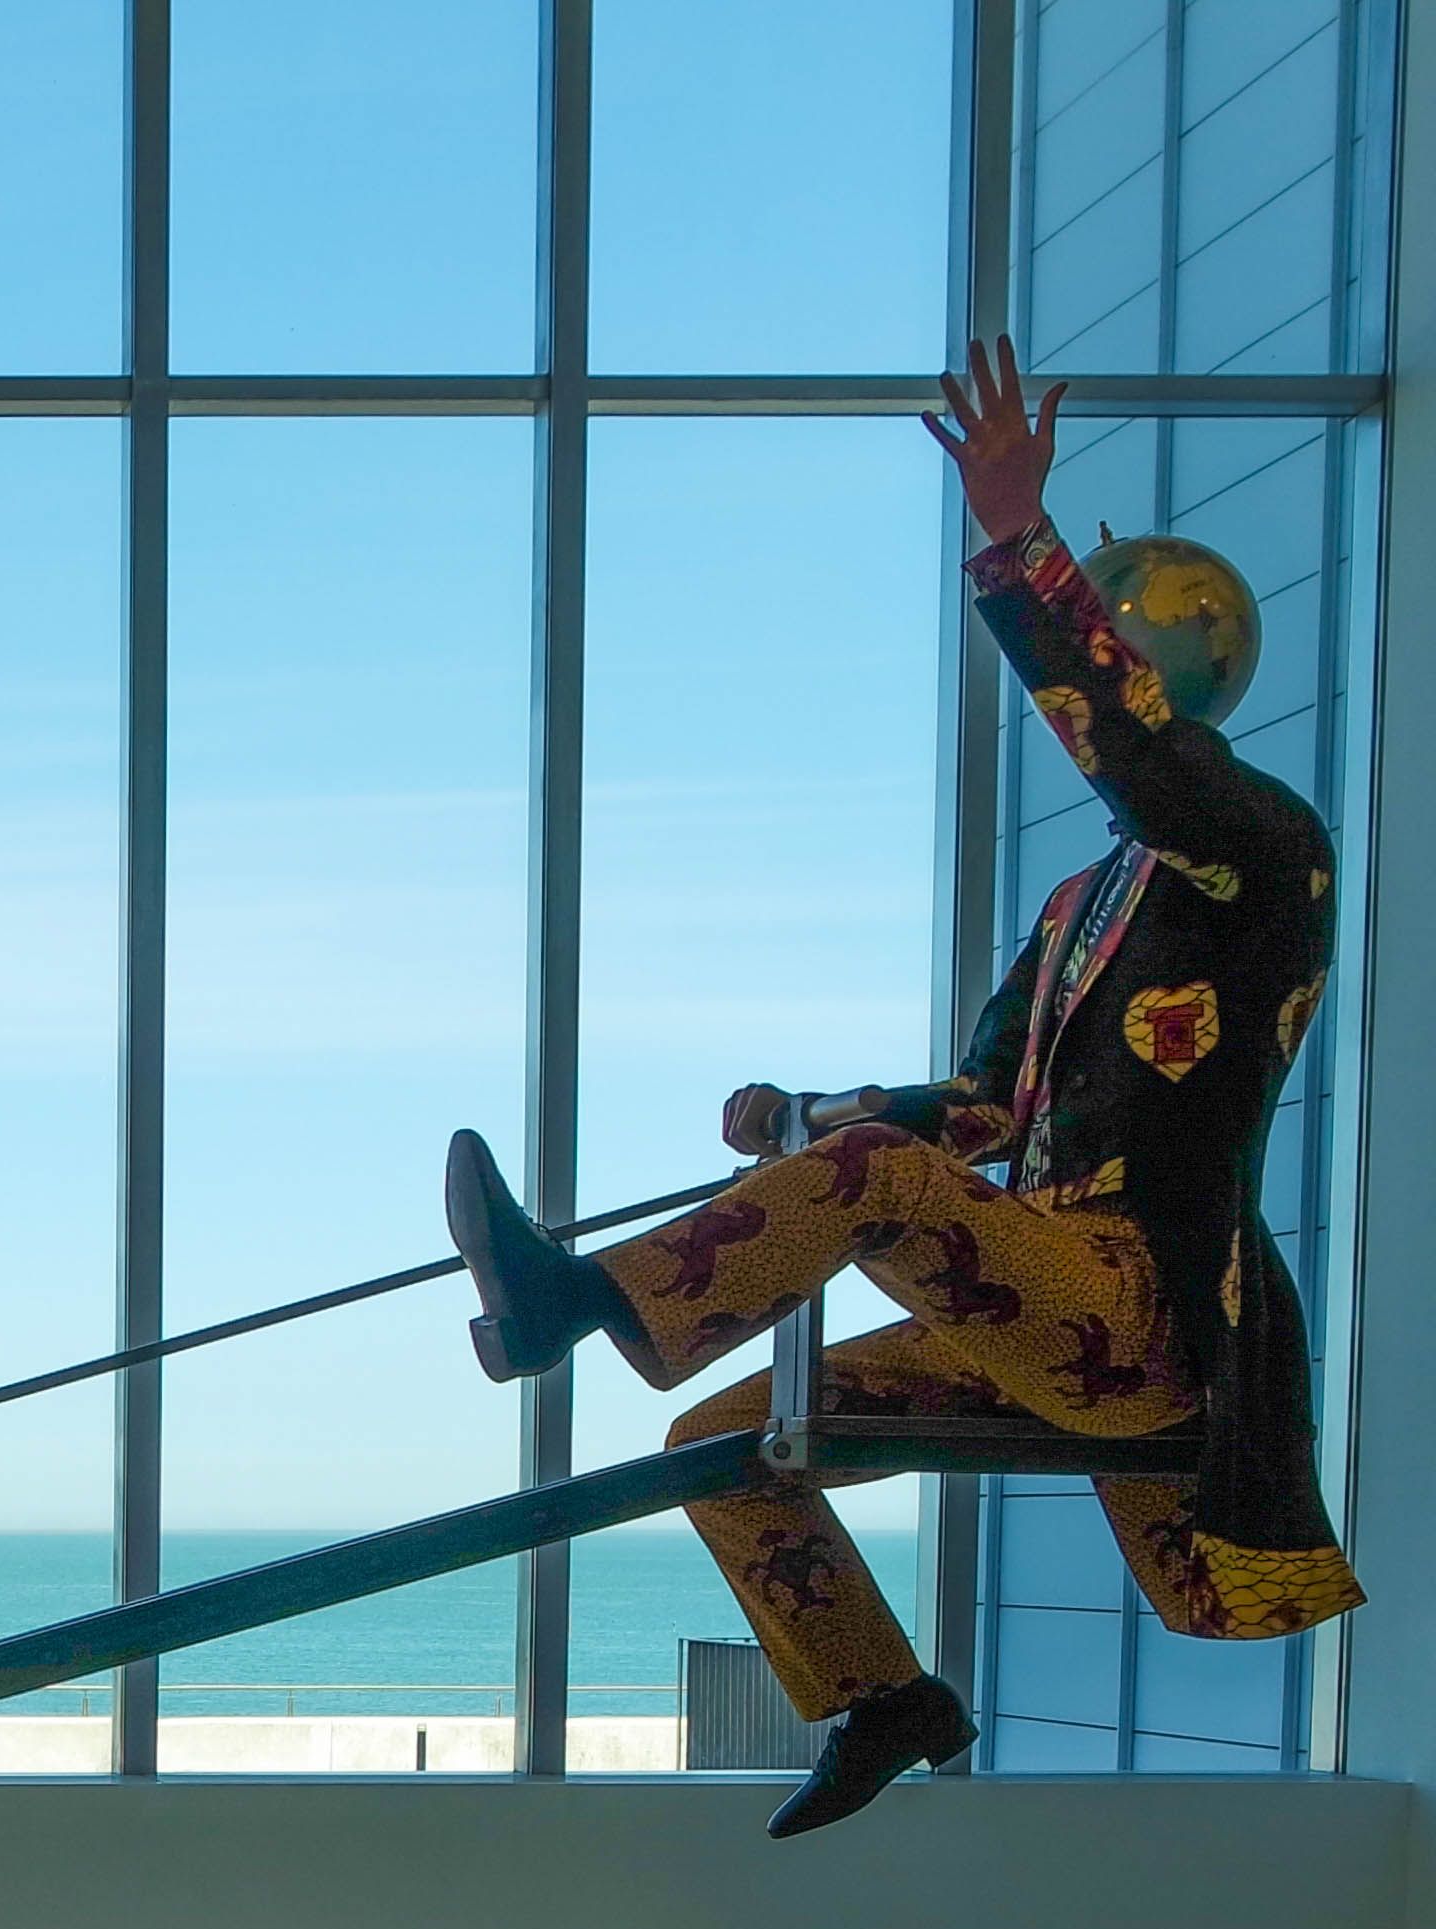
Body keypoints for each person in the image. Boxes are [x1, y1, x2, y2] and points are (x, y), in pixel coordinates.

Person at [440, 333, 1363, 1836]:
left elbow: (1138, 761)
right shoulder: (1081, 908)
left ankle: (587, 1304)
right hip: (1042, 1298)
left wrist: (1018, 540)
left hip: (1141, 1305)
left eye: (1116, 636)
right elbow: (985, 1110)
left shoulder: (1260, 845)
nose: (1106, 667)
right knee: (716, 1445)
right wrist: (804, 1121)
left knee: (874, 1195)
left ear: (1157, 660)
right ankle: (884, 1694)